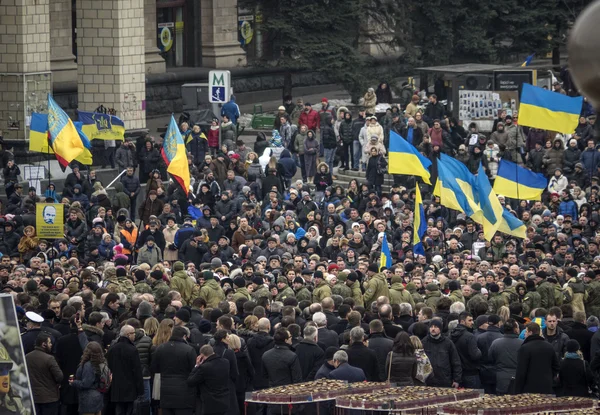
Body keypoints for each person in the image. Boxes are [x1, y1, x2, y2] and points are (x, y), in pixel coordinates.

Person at [151, 326, 197, 415]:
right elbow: (194, 370)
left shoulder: (161, 348)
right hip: (185, 391)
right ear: (184, 336)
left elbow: (154, 368)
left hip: (165, 390)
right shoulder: (189, 350)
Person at [106, 325, 144, 415]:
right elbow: (137, 370)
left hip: (116, 386)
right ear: (128, 334)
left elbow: (109, 366)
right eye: (133, 333)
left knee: (119, 410)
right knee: (129, 410)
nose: (135, 335)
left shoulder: (112, 349)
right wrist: (140, 390)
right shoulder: (132, 349)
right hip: (130, 387)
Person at [514, 322, 560, 394]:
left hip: (529, 387)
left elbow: (521, 371)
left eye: (526, 332)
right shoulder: (549, 346)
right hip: (546, 386)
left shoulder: (524, 348)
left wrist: (517, 390)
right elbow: (556, 366)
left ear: (530, 332)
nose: (524, 334)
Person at [25, 333, 63, 415]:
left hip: (34, 397)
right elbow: (60, 376)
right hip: (49, 398)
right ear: (43, 344)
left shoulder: (27, 357)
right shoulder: (49, 359)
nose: (51, 345)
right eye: (49, 343)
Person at [187, 345, 231, 415]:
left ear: (201, 355)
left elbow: (190, 381)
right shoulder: (226, 362)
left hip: (210, 403)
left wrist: (196, 366)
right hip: (224, 401)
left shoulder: (204, 367)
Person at [421, 319, 461, 387]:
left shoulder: (448, 343)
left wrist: (456, 379)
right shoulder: (424, 342)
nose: (433, 329)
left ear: (440, 328)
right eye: (431, 327)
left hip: (444, 380)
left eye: (436, 327)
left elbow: (455, 362)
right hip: (428, 381)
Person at [70, 342, 106, 415]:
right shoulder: (102, 363)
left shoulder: (88, 365)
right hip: (99, 397)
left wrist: (73, 382)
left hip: (88, 399)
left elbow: (86, 384)